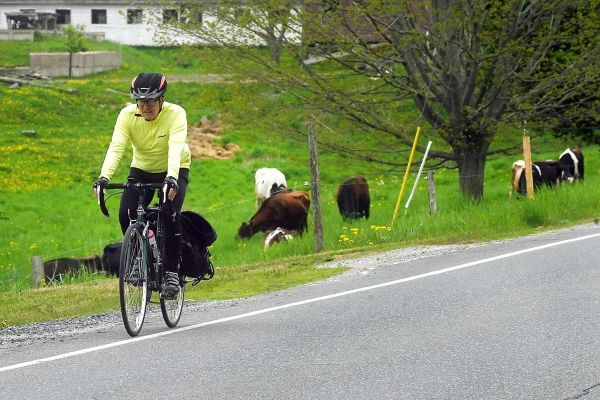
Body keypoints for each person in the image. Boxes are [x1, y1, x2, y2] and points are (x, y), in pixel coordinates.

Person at [93, 72, 191, 299]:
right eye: (140, 101)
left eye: (150, 101)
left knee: (170, 214)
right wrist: (104, 177)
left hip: (174, 169)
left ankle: (171, 273)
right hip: (141, 168)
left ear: (161, 100)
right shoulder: (127, 115)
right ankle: (140, 260)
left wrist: (172, 177)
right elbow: (116, 147)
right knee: (125, 214)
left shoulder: (176, 114)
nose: (144, 107)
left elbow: (176, 147)